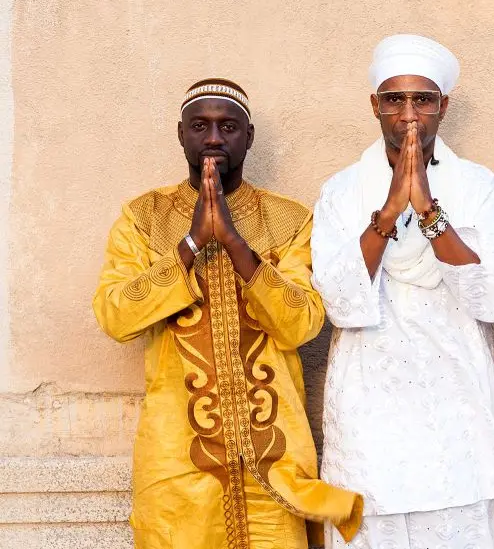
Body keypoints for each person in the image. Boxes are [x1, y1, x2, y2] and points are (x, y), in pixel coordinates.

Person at [93, 78, 362, 549]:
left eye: (228, 127)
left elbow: (302, 324)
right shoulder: (143, 218)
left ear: (248, 136)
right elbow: (116, 316)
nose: (214, 138)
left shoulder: (289, 220)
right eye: (200, 126)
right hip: (178, 466)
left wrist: (236, 244)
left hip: (274, 466)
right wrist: (191, 243)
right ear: (181, 134)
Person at [310, 34, 494, 549]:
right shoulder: (341, 191)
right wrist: (387, 212)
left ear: (443, 106)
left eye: (422, 100)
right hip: (368, 415)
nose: (409, 115)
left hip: (455, 417)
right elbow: (339, 302)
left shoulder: (479, 186)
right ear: (375, 106)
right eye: (395, 99)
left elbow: (490, 298)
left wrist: (428, 212)